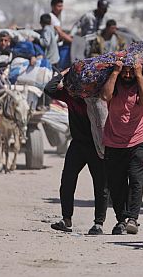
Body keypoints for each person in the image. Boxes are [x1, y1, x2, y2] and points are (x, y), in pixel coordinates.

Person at [48, 69, 109, 235]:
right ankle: (66, 220)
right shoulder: (70, 95)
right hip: (78, 145)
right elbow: (49, 89)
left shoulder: (97, 96)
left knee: (100, 185)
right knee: (67, 181)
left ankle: (98, 223)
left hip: (97, 145)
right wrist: (64, 72)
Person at [101, 60, 143, 235]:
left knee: (136, 180)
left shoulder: (142, 85)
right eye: (125, 72)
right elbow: (105, 97)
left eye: (131, 72)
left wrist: (139, 75)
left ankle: (133, 219)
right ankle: (120, 220)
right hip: (113, 140)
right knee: (116, 183)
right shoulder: (113, 85)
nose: (128, 75)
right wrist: (115, 72)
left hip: (138, 139)